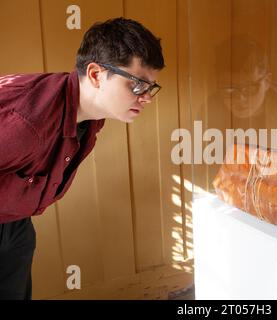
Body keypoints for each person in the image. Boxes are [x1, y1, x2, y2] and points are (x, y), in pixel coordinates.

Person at [0, 17, 164, 299]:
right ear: (97, 75)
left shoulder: (89, 115)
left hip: (15, 222)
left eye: (151, 87)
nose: (146, 97)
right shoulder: (29, 122)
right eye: (138, 84)